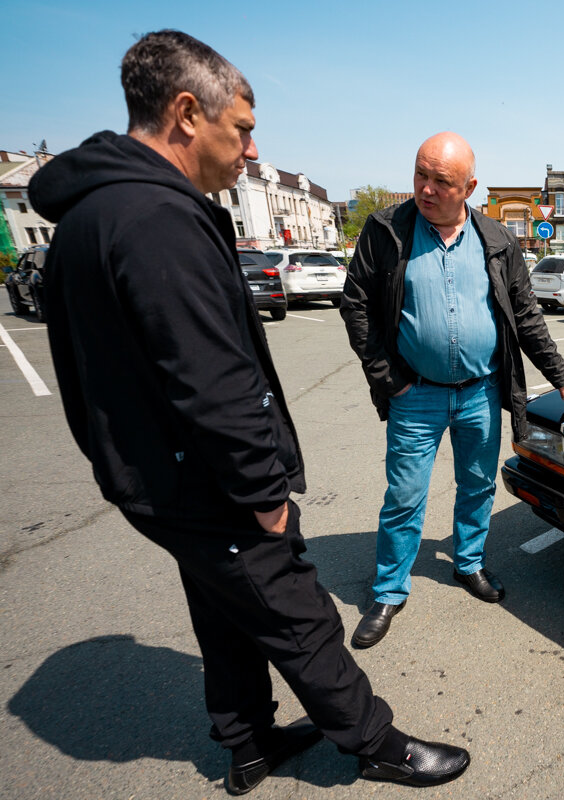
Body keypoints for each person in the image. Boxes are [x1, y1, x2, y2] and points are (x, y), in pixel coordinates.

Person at [28, 30, 469, 794]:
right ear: (187, 112)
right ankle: (376, 743)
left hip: (151, 476)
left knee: (223, 607)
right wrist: (264, 493)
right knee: (299, 615)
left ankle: (249, 739)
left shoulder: (94, 213)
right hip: (207, 480)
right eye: (243, 128)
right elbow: (210, 379)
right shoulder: (154, 219)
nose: (251, 148)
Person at [340, 132, 564, 649]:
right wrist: (391, 380)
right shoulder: (387, 231)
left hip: (479, 393)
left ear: (469, 187)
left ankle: (468, 564)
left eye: (440, 181)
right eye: (419, 176)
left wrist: (558, 371)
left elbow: (524, 312)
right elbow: (356, 305)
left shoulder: (496, 238)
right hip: (416, 394)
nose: (425, 190)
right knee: (404, 496)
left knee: (478, 486)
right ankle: (388, 590)